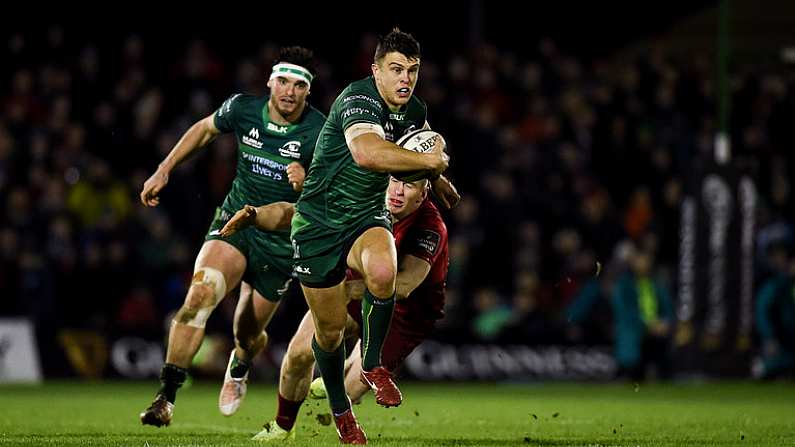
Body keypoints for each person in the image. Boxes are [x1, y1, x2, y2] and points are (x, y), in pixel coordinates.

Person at [138, 47, 327, 427]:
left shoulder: (321, 131)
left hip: (281, 241)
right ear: (271, 81)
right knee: (200, 294)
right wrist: (164, 169)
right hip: (235, 223)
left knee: (247, 332)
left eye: (300, 85)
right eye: (284, 81)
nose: (290, 92)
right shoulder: (242, 108)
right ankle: (166, 396)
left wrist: (308, 182)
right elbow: (205, 129)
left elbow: (332, 195)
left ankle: (240, 362)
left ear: (309, 92)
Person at [287, 28, 452, 443]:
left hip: (365, 215)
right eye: (396, 69)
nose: (406, 79)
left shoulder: (413, 109)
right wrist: (430, 162)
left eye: (412, 71)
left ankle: (372, 365)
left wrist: (441, 177)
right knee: (327, 334)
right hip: (320, 223)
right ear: (375, 70)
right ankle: (343, 413)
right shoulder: (358, 99)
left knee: (382, 269)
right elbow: (367, 153)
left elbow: (425, 142)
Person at [217, 175, 448, 441]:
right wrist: (258, 214)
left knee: (350, 388)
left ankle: (335, 381)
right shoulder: (366, 199)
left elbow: (406, 284)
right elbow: (303, 211)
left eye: (408, 186)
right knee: (297, 355)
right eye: (394, 181)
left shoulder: (431, 226)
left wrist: (340, 292)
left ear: (423, 193)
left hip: (405, 314)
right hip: (354, 286)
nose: (397, 191)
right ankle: (282, 427)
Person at [611, 246, 674, 381]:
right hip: (636, 326)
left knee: (671, 332)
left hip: (657, 327)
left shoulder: (657, 283)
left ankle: (663, 372)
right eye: (639, 260)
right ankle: (628, 371)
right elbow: (625, 311)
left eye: (645, 260)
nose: (643, 264)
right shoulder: (624, 285)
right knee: (629, 333)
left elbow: (668, 307)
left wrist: (665, 322)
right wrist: (647, 324)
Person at [753, 256, 795, 379]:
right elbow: (762, 313)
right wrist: (769, 337)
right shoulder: (777, 285)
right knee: (778, 362)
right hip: (781, 340)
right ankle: (764, 366)